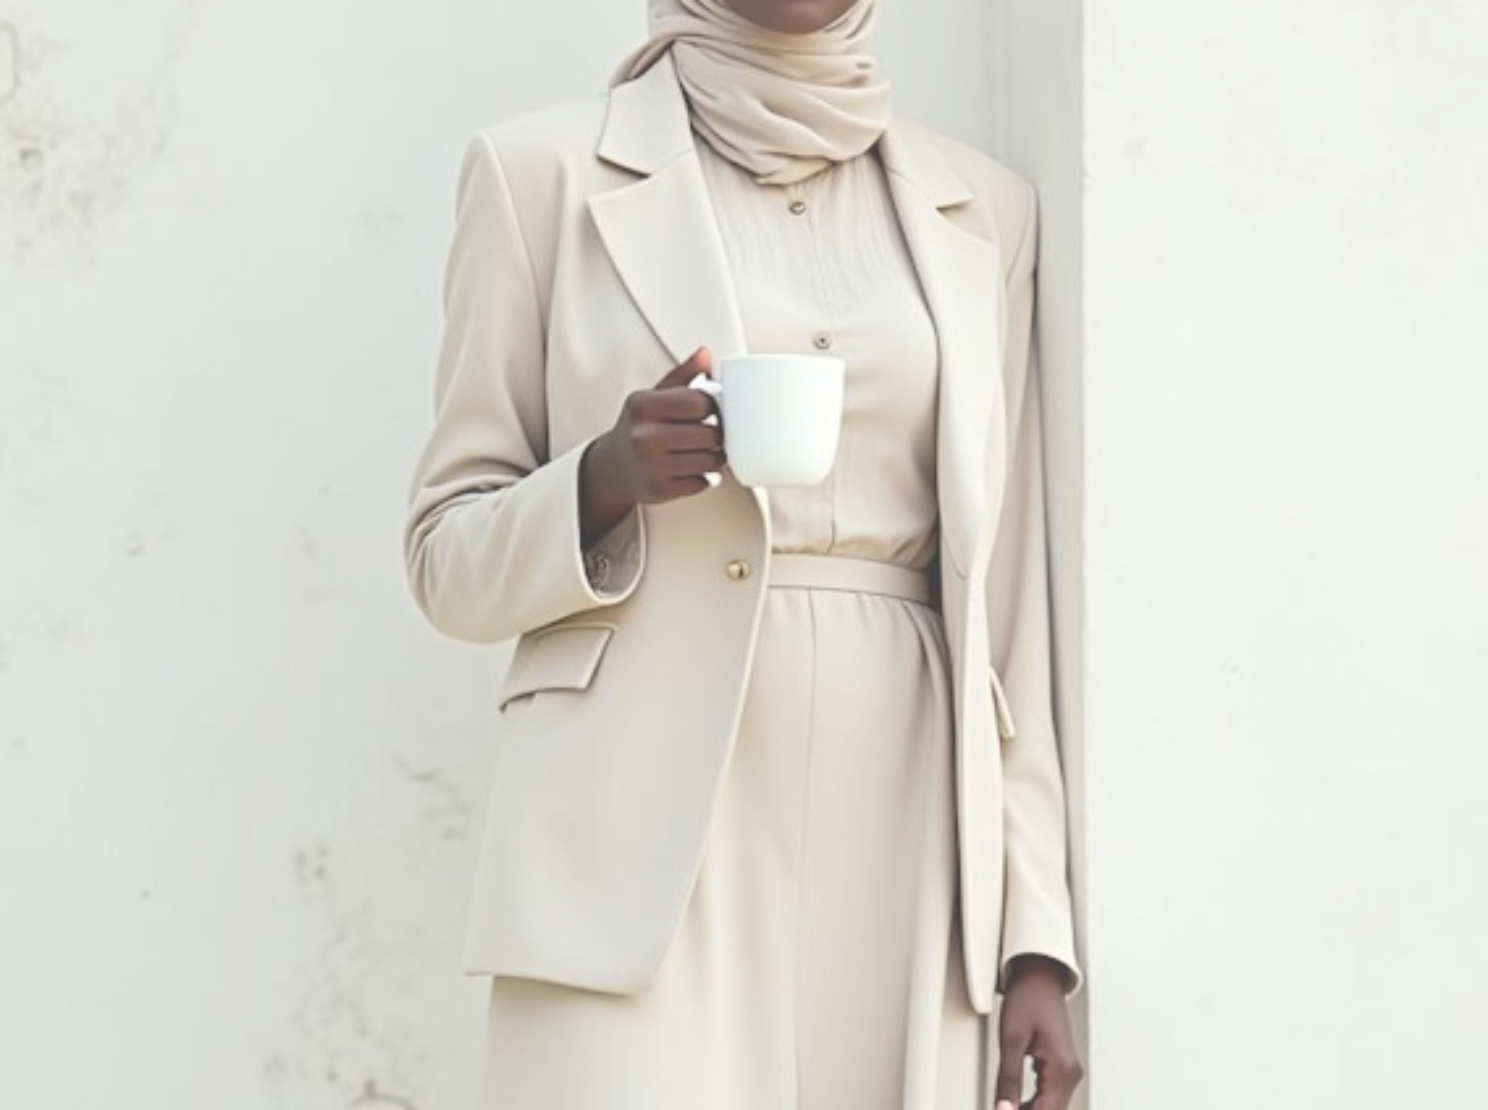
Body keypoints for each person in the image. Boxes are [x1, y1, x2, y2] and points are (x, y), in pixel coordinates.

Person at [403, 1, 1084, 1106]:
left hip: (909, 830)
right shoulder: (538, 175)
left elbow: (1006, 609)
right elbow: (445, 556)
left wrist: (1034, 933)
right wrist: (602, 478)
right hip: (632, 848)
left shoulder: (987, 211)